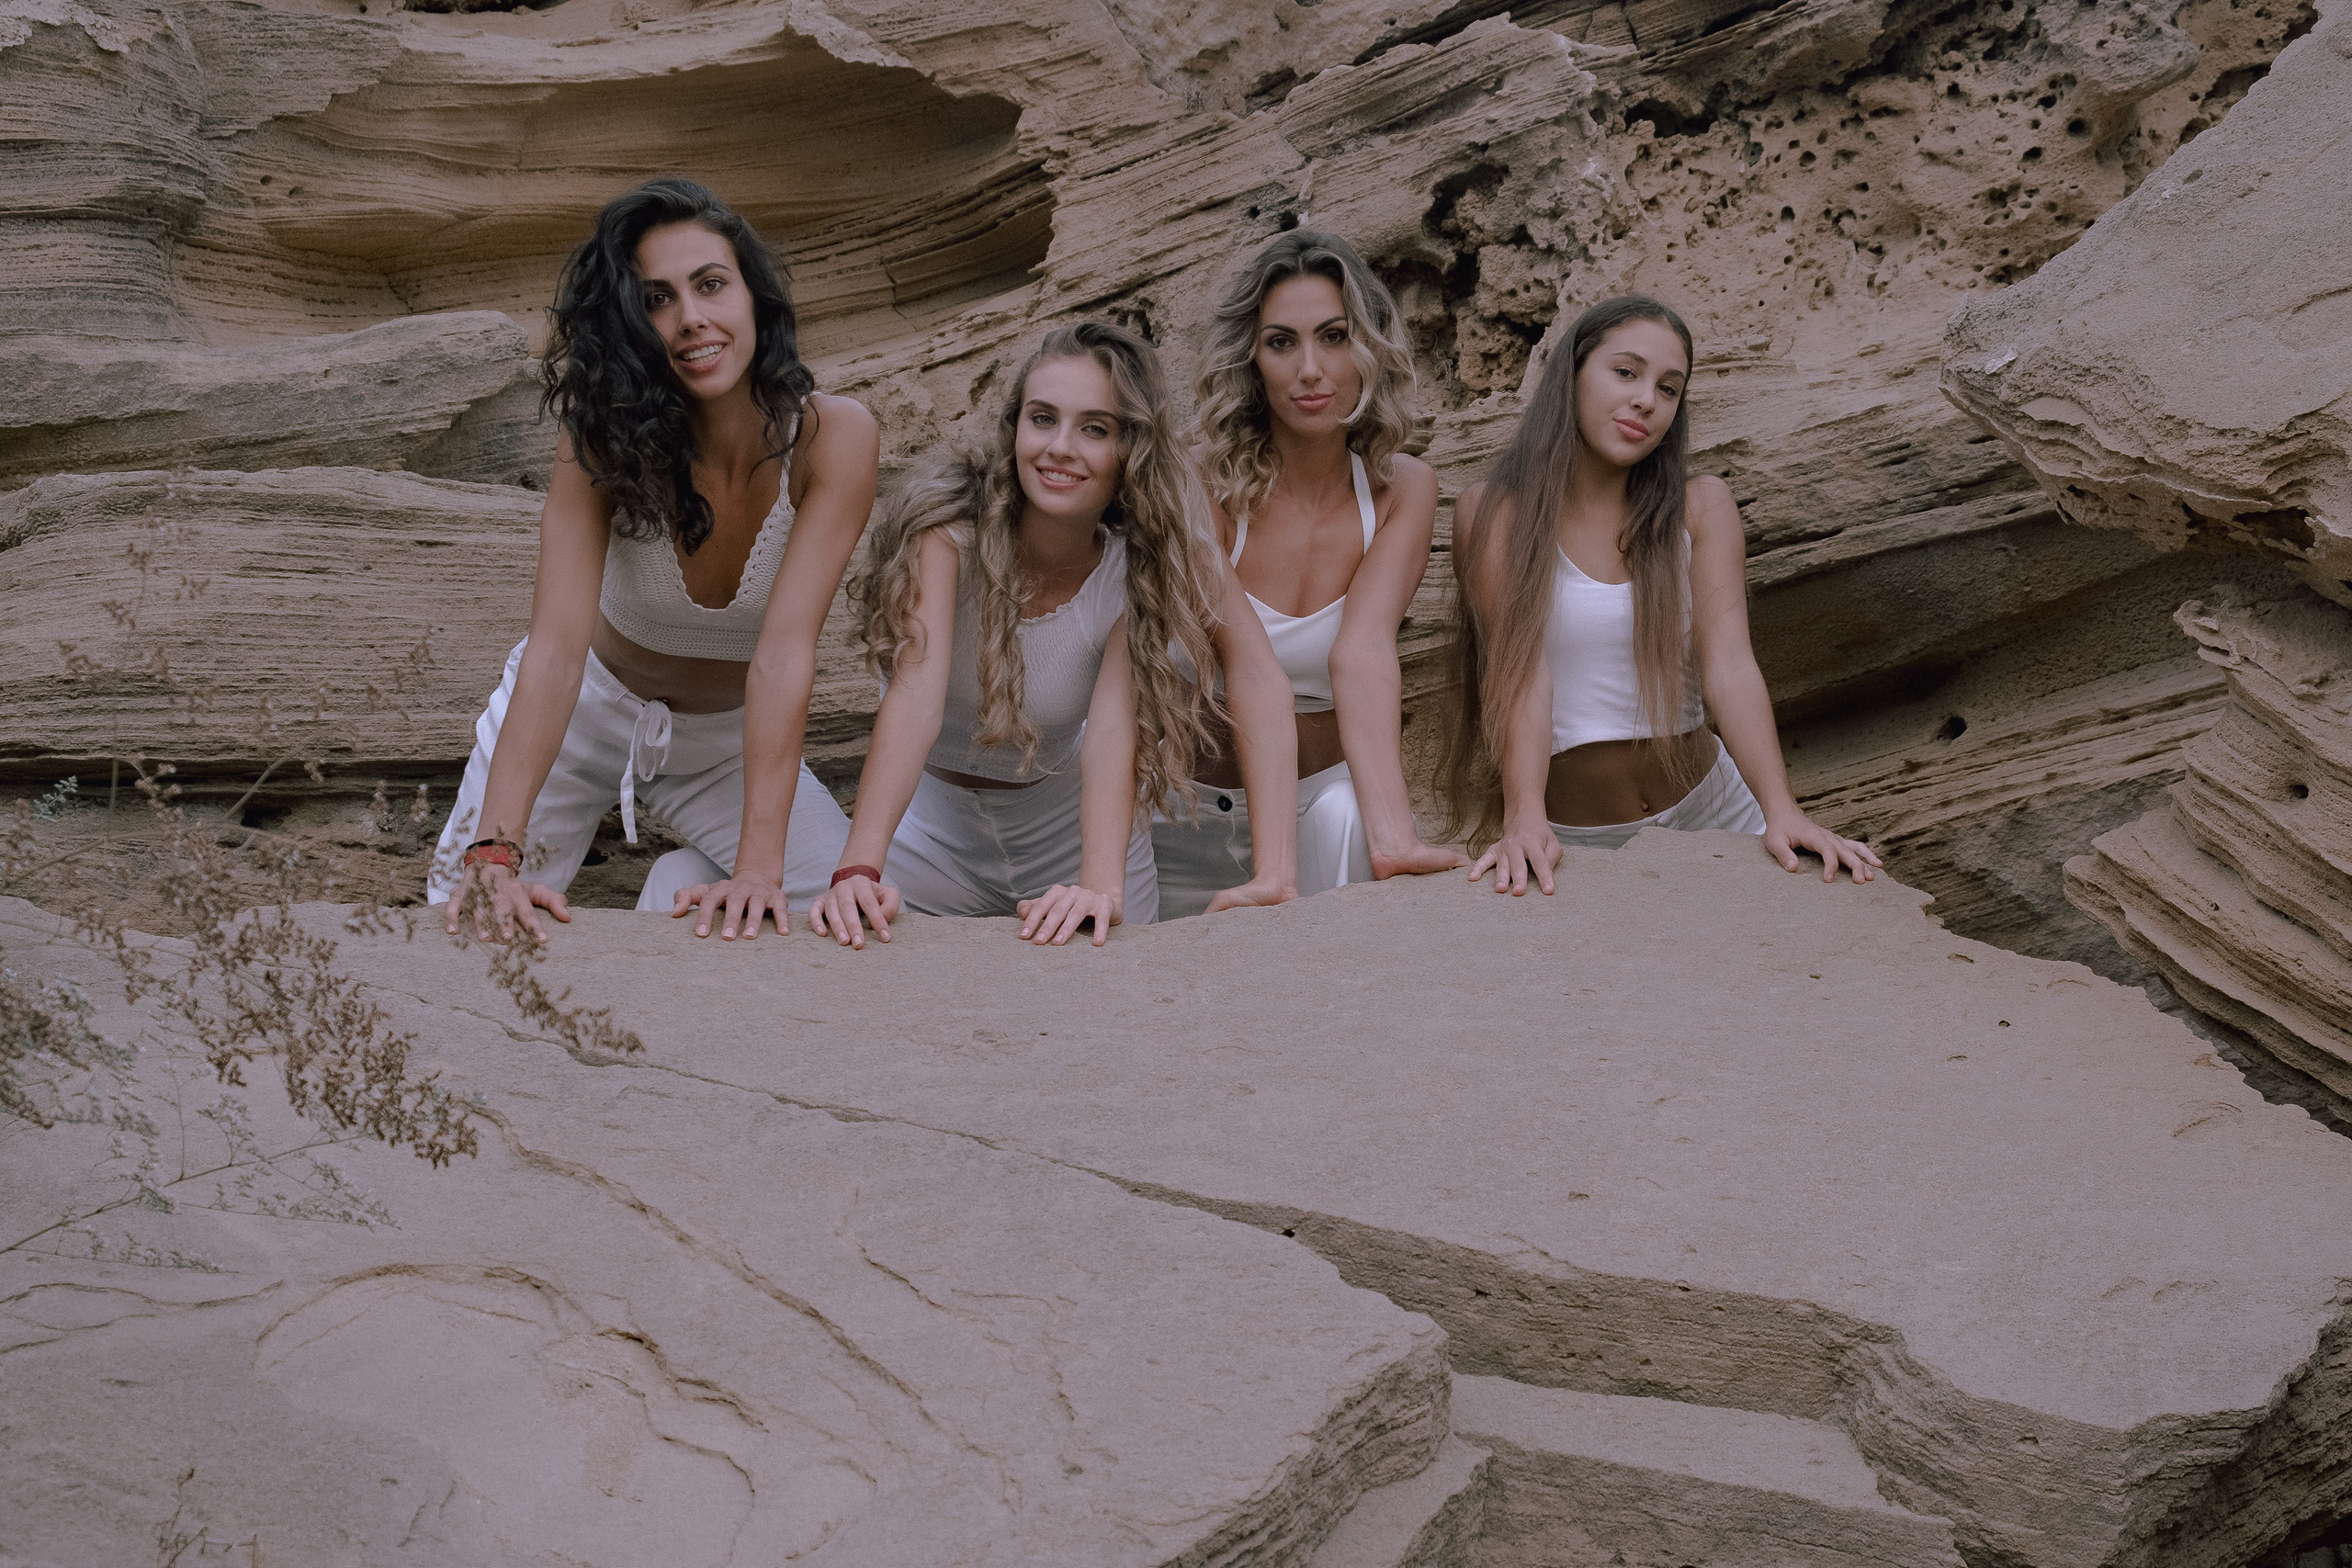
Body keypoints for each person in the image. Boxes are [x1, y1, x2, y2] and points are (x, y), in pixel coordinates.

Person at [428, 178, 877, 942]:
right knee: (471, 921)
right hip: (582, 716)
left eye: (710, 285)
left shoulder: (834, 438)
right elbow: (557, 649)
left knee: (818, 917)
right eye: (657, 299)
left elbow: (783, 653)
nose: (690, 319)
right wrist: (494, 852)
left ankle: (677, 889)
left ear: (754, 296)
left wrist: (756, 871)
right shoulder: (599, 436)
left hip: (726, 740)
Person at [804, 321, 1302, 949]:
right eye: (1042, 419)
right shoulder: (947, 532)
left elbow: (1114, 729)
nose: (1060, 446)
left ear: (1131, 450)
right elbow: (914, 699)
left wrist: (1100, 886)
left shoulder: (1136, 566)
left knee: (1115, 993)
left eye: (1095, 428)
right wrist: (858, 868)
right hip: (930, 839)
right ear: (1015, 427)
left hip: (1066, 831)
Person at [1440, 294, 1880, 895]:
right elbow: (1519, 674)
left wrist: (1781, 808)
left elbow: (1730, 665)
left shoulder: (1700, 506)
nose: (1647, 399)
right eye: (1625, 372)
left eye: (1669, 388)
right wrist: (1523, 817)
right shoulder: (1497, 513)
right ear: (1571, 374)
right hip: (1578, 843)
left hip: (1719, 814)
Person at [1153, 231, 1468, 917]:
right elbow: (1252, 665)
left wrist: (1395, 837)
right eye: (1281, 342)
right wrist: (1273, 875)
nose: (1310, 370)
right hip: (1179, 815)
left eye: (1333, 336)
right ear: (1251, 358)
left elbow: (1362, 652)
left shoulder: (1402, 489)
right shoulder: (1195, 480)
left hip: (1317, 812)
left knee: (1349, 813)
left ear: (1369, 348)